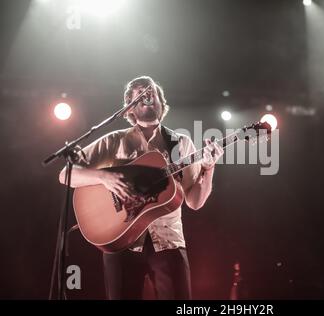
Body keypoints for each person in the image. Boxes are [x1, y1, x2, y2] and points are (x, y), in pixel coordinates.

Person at [59, 75, 223, 299]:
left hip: (169, 242)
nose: (147, 94)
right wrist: (105, 178)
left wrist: (209, 168)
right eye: (140, 92)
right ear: (129, 107)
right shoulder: (113, 141)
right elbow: (66, 174)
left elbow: (195, 202)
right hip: (121, 243)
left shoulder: (181, 143)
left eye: (151, 91)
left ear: (160, 102)